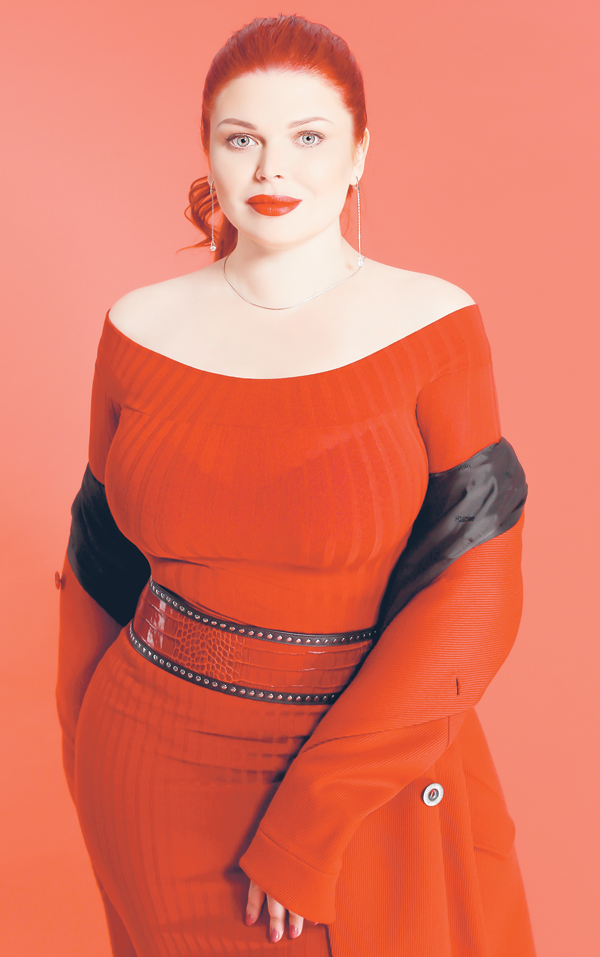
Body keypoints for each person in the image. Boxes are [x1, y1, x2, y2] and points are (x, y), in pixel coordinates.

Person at [56, 13, 536, 957]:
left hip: (363, 778)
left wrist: (313, 819)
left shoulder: (435, 327)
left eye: (308, 138)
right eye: (243, 139)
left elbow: (476, 591)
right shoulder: (136, 328)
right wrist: (85, 764)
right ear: (208, 148)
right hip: (149, 776)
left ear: (360, 153)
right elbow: (96, 573)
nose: (273, 168)